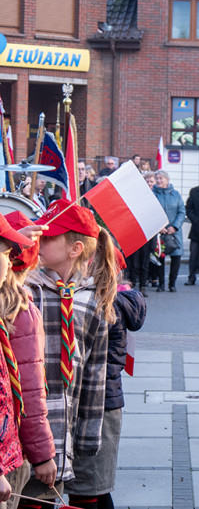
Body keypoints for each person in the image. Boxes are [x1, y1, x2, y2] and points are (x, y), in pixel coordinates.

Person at [20, 200, 116, 508]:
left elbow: (94, 374)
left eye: (49, 237)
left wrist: (87, 439)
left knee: (49, 497)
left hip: (65, 427)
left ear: (75, 248)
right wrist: (16, 247)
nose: (41, 241)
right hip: (24, 424)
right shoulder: (24, 290)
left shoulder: (91, 300)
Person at [67, 256, 146, 509]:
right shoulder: (117, 301)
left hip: (94, 405)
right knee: (96, 488)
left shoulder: (100, 305)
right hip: (109, 400)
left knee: (87, 489)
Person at [2, 212, 57, 507]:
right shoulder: (21, 311)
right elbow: (29, 390)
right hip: (9, 453)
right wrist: (43, 454)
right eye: (5, 253)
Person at [152, 170, 185, 292]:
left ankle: (172, 284)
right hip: (159, 232)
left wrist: (175, 227)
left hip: (174, 232)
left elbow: (181, 211)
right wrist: (158, 227)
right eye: (157, 178)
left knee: (176, 258)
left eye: (161, 178)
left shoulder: (176, 194)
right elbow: (150, 212)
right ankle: (161, 284)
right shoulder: (152, 194)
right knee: (160, 258)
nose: (158, 180)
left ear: (167, 179)